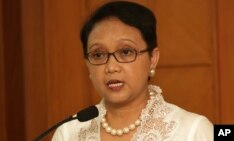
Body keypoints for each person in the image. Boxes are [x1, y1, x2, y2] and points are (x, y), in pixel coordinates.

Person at [52, 1, 213, 141]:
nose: (111, 67)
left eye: (126, 52)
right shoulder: (68, 133)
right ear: (88, 64)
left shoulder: (193, 130)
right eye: (98, 54)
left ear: (153, 59)